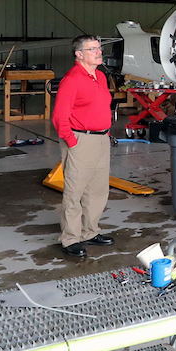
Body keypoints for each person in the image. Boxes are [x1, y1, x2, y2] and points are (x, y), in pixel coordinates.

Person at [52, 34, 114, 258]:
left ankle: (90, 232)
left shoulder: (100, 77)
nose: (99, 52)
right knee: (74, 191)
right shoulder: (72, 79)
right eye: (92, 49)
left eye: (99, 48)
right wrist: (72, 141)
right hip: (81, 140)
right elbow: (60, 117)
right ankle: (70, 238)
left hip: (101, 138)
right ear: (79, 54)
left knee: (97, 190)